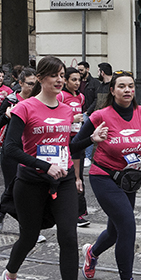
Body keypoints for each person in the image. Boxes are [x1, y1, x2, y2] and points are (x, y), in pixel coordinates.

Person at [1, 56, 88, 280]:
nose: (60, 80)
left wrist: (89, 140)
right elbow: (11, 148)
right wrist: (43, 165)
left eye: (63, 75)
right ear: (40, 79)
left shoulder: (65, 110)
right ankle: (10, 275)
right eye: (54, 75)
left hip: (61, 182)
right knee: (28, 237)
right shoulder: (24, 108)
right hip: (30, 183)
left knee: (69, 236)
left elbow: (65, 147)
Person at [73, 71, 141, 280]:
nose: (127, 90)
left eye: (130, 86)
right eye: (122, 86)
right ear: (113, 91)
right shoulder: (99, 116)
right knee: (127, 225)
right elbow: (74, 145)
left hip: (129, 179)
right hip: (103, 176)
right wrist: (93, 139)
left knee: (116, 231)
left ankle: (91, 252)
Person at [0, 68, 40, 234]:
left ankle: (3, 208)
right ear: (20, 83)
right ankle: (27, 229)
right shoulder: (11, 100)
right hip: (11, 150)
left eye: (36, 84)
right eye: (30, 84)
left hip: (31, 150)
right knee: (14, 189)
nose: (33, 88)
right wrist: (6, 116)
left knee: (30, 191)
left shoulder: (38, 101)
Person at [62, 67, 90, 226]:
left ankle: (79, 211)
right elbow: (57, 116)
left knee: (78, 175)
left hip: (78, 138)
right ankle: (74, 212)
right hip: (65, 140)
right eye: (73, 79)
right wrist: (72, 119)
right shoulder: (61, 96)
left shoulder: (81, 97)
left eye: (79, 80)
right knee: (73, 175)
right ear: (65, 81)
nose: (77, 83)